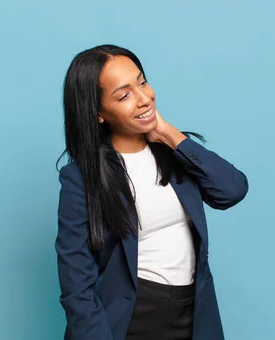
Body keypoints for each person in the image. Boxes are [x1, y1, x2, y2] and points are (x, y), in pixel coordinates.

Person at [56, 44, 249, 340]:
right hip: (130, 320)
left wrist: (171, 135)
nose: (144, 99)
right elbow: (76, 284)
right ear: (97, 113)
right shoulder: (81, 179)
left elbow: (232, 190)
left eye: (142, 82)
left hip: (193, 313)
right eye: (124, 95)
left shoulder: (175, 153)